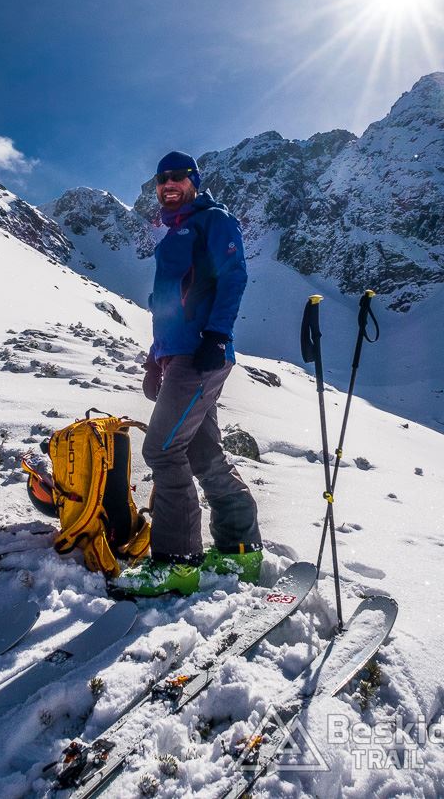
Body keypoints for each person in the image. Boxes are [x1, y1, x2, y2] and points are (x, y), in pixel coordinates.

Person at [114, 151, 262, 596]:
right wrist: (155, 358)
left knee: (161, 450)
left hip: (200, 353)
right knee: (203, 453)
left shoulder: (213, 220)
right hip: (177, 355)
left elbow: (233, 277)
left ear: (194, 181)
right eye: (162, 178)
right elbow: (168, 306)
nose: (169, 183)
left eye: (178, 176)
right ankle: (240, 548)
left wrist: (217, 336)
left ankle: (177, 563)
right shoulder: (174, 234)